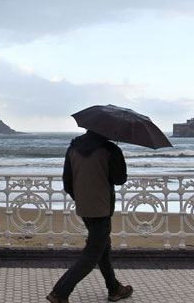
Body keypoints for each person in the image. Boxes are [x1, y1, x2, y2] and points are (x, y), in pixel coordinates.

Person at [47, 130, 133, 303]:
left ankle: (114, 289)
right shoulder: (109, 149)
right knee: (93, 252)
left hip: (84, 206)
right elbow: (119, 179)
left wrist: (80, 198)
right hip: (102, 206)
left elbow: (67, 180)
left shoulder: (73, 148)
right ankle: (59, 292)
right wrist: (117, 155)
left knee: (103, 248)